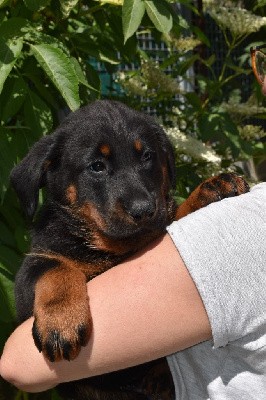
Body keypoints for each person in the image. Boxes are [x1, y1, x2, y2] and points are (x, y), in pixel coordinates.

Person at [1, 50, 266, 399]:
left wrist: (192, 211)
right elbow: (33, 285)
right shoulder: (59, 248)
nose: (141, 201)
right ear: (51, 175)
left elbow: (176, 241)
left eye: (146, 160)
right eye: (97, 167)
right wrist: (58, 284)